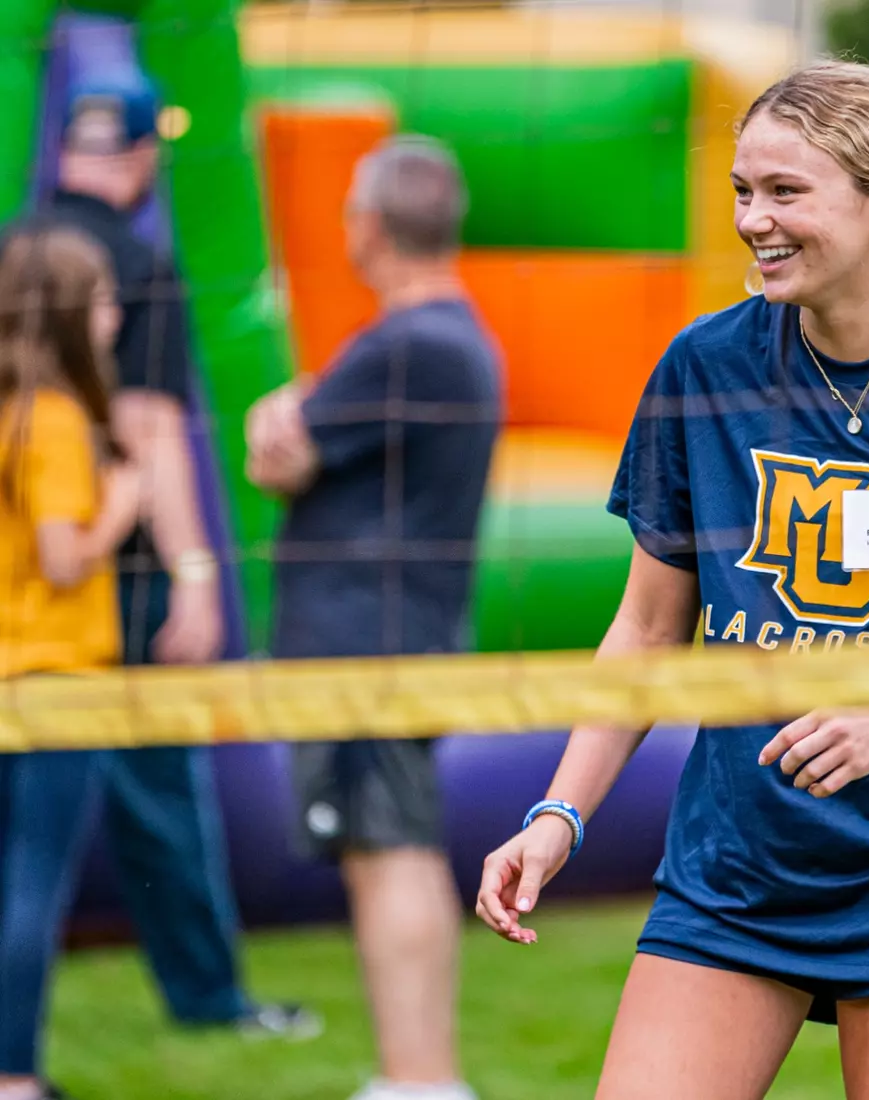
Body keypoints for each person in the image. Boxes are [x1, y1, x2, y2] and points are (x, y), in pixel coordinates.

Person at [475, 60, 869, 1100]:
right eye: (741, 190)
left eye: (785, 191)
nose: (753, 220)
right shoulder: (705, 366)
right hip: (740, 860)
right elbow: (643, 629)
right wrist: (558, 816)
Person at [44, 74, 317, 1037]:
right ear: (144, 155)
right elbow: (150, 434)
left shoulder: (15, 250)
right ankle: (212, 1000)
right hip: (109, 569)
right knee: (160, 785)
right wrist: (195, 575)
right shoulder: (137, 265)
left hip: (18, 574)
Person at [246, 135, 501, 1100]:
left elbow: (278, 454)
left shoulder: (407, 343)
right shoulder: (440, 337)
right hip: (393, 634)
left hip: (370, 643)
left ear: (368, 224)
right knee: (385, 848)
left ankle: (421, 1080)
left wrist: (279, 415)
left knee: (389, 850)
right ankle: (415, 1075)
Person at [0, 223, 143, 1100]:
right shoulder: (50, 419)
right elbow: (62, 557)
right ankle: (15, 1072)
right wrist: (125, 502)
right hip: (55, 682)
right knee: (34, 887)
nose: (115, 313)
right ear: (62, 315)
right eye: (99, 299)